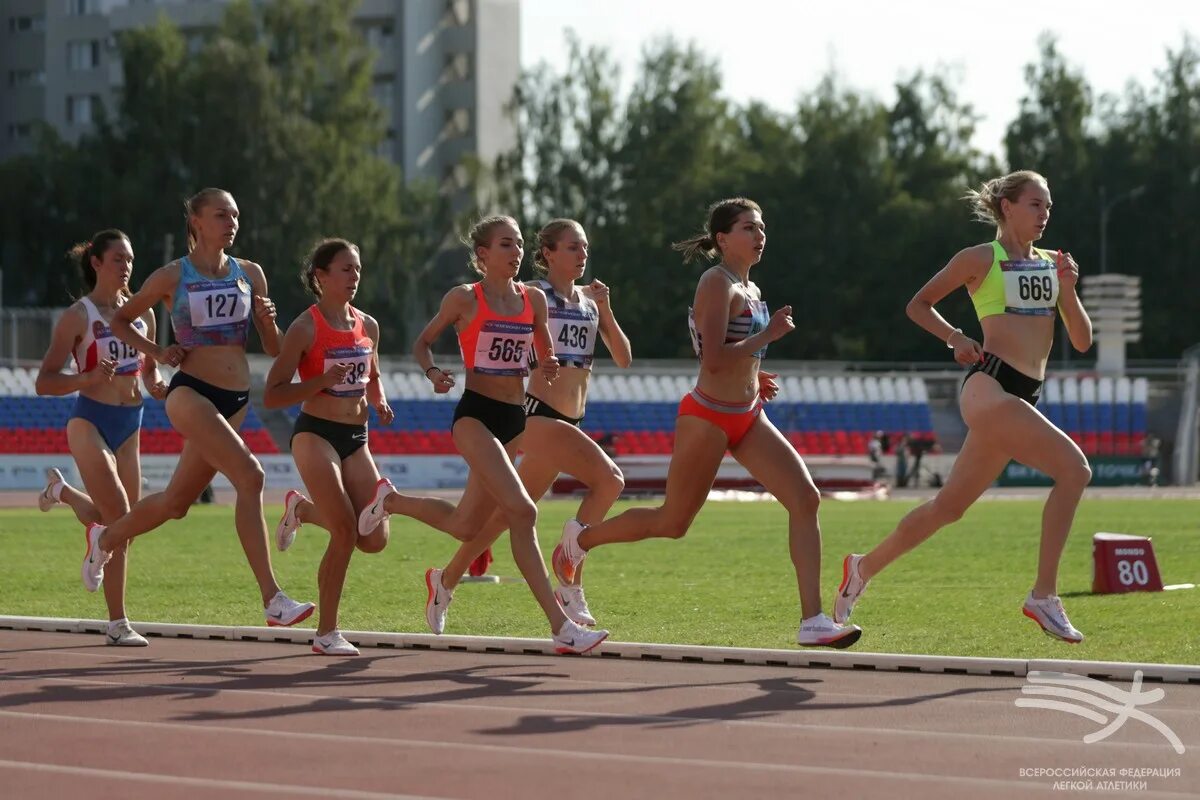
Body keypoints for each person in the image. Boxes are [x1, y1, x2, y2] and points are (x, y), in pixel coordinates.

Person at [551, 198, 862, 649]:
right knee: (673, 521)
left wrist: (758, 371)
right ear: (722, 239)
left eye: (762, 228)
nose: (760, 235)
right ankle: (580, 542)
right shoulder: (715, 282)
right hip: (708, 416)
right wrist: (768, 336)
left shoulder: (750, 288)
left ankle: (812, 619)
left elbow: (734, 351)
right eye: (749, 228)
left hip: (748, 414)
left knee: (805, 498)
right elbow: (713, 359)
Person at [835, 170, 1093, 643]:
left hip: (1023, 395)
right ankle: (1044, 595)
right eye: (1036, 204)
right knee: (1075, 470)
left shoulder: (1051, 265)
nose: (1045, 214)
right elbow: (919, 304)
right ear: (1007, 207)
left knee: (947, 508)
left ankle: (861, 568)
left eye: (1049, 206)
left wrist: (1069, 290)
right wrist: (954, 337)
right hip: (989, 388)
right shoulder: (981, 258)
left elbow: (1080, 340)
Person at [357, 215, 609, 654]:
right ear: (483, 255)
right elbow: (422, 343)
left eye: (517, 245)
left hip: (515, 420)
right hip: (475, 416)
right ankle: (561, 626)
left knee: (465, 524)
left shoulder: (534, 300)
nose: (515, 253)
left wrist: (545, 365)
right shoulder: (464, 299)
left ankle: (391, 503)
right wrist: (434, 372)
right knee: (523, 512)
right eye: (506, 245)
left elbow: (541, 356)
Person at [79, 188, 314, 627]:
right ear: (197, 223)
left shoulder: (250, 273)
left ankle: (105, 538)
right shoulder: (173, 276)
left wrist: (267, 323)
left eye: (236, 215)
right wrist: (157, 350)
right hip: (191, 393)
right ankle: (273, 598)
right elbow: (119, 320)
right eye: (221, 215)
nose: (231, 222)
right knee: (252, 475)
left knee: (175, 503)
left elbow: (276, 348)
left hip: (238, 398)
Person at [418, 218, 632, 632]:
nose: (581, 255)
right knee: (610, 480)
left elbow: (624, 358)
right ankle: (570, 578)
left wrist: (605, 307)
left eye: (584, 248)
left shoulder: (590, 300)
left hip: (572, 418)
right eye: (572, 247)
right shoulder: (531, 294)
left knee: (502, 519)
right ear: (548, 253)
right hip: (535, 413)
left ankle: (444, 581)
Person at [265, 239, 466, 655]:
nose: (354, 277)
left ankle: (300, 510)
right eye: (345, 269)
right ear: (320, 277)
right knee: (342, 532)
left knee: (373, 539)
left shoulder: (367, 325)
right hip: (315, 433)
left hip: (357, 438)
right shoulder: (306, 327)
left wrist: (379, 399)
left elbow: (370, 373)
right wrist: (321, 381)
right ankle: (326, 632)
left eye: (357, 269)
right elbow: (273, 394)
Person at [35, 230, 167, 646]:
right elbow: (44, 381)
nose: (127, 267)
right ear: (96, 263)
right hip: (90, 421)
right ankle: (119, 623)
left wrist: (156, 379)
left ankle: (63, 492)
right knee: (120, 515)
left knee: (124, 525)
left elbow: (147, 368)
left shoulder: (141, 314)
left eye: (130, 260)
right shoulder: (80, 315)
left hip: (132, 423)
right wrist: (87, 378)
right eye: (118, 260)